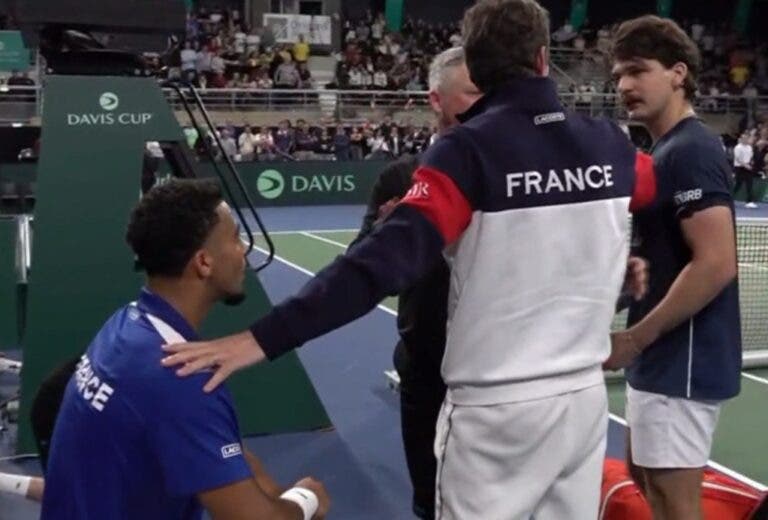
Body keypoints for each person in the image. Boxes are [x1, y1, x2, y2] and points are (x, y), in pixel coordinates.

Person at [163, 1, 655, 517]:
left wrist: (260, 338)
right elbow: (661, 200)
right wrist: (631, 261)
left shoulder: (467, 152)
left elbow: (374, 268)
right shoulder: (611, 146)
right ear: (542, 58)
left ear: (481, 70)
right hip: (583, 401)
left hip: (496, 410)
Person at [41, 180, 330, 519]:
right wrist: (306, 500)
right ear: (203, 263)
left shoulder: (124, 325)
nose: (244, 250)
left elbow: (200, 439)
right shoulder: (183, 379)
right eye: (235, 238)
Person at [608, 15, 741, 520]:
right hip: (661, 361)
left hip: (681, 361)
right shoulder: (663, 150)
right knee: (645, 479)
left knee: (675, 504)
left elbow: (716, 263)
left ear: (678, 73)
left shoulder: (691, 149)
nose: (624, 85)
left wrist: (636, 338)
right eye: (619, 75)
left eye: (638, 71)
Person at [348, 46, 482, 520]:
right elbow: (359, 267)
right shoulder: (400, 177)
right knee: (430, 500)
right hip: (426, 366)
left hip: (495, 372)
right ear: (436, 100)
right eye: (471, 91)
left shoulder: (511, 174)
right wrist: (391, 230)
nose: (484, 101)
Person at [733, 133, 757, 208]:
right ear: (741, 139)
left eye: (747, 138)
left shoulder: (749, 147)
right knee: (738, 184)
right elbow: (737, 158)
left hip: (748, 167)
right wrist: (745, 165)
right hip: (739, 167)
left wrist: (751, 163)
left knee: (749, 184)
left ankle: (749, 201)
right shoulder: (738, 147)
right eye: (744, 138)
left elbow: (750, 156)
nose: (745, 140)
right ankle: (729, 199)